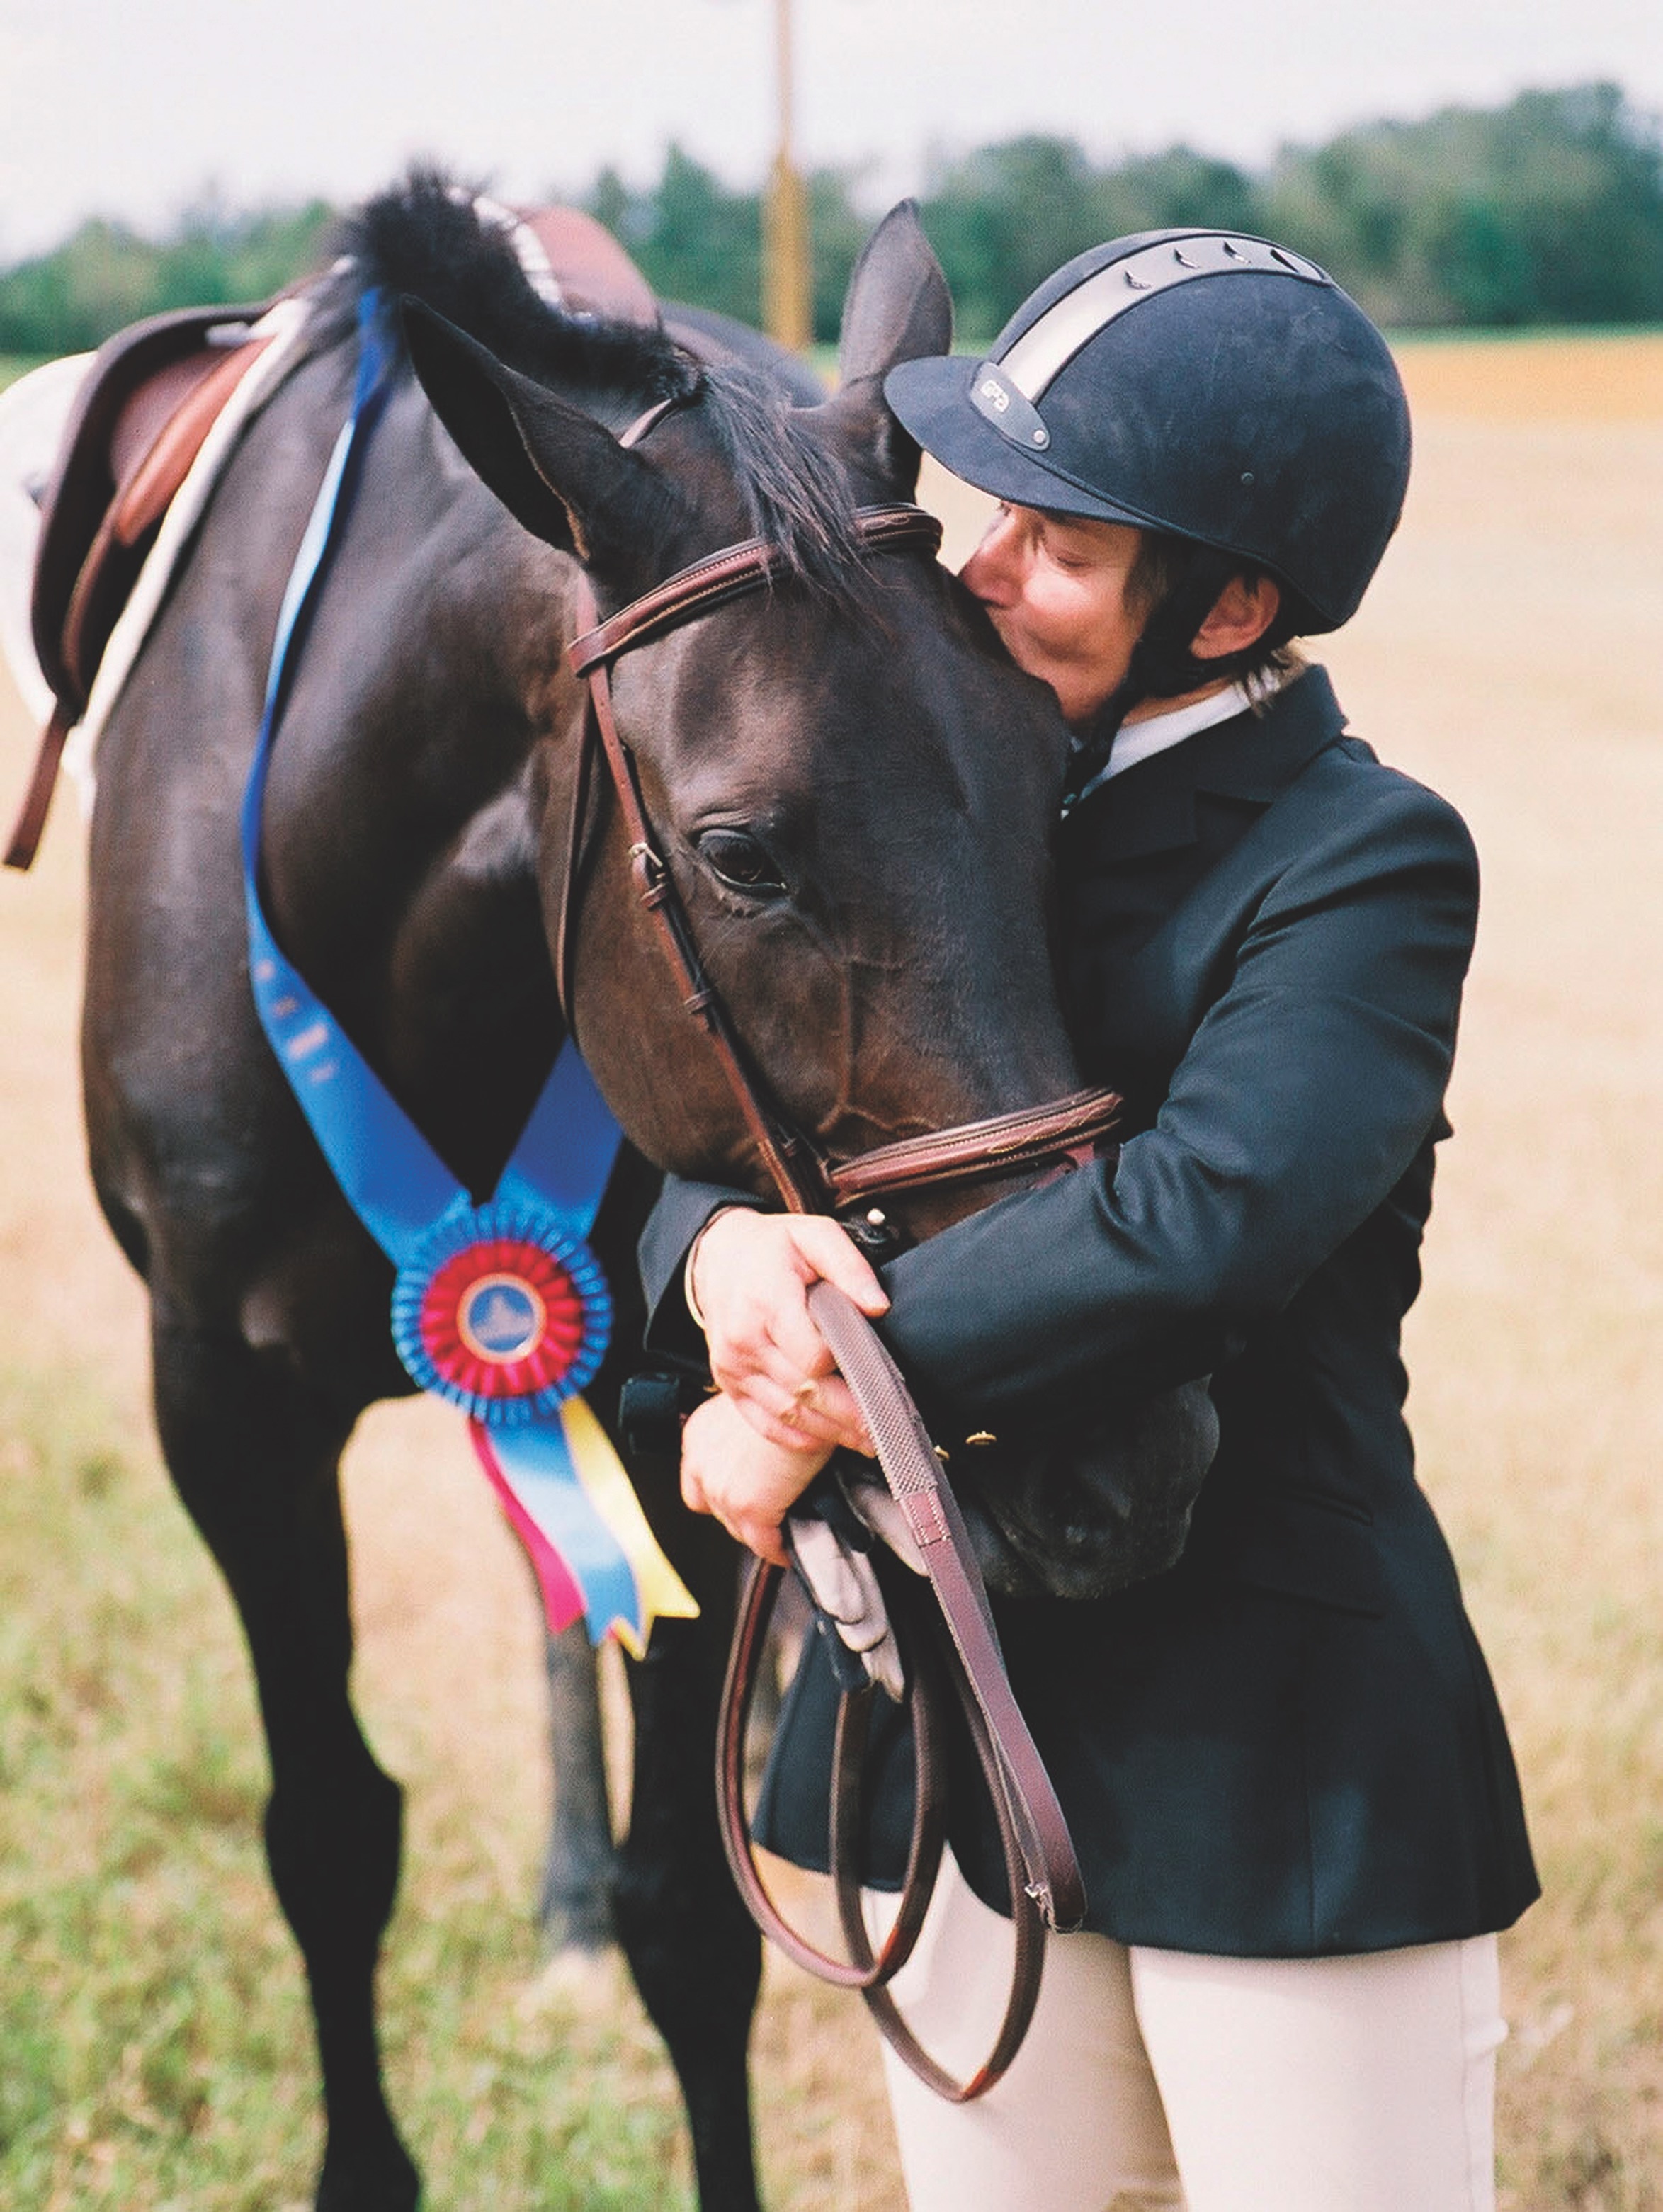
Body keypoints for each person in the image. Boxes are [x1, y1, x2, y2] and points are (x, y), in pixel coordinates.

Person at [637, 229, 1537, 2210]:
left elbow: (1197, 1220)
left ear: (1225, 606)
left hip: (1267, 1725)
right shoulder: (937, 781)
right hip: (947, 1703)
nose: (975, 568)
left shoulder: (1362, 860)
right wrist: (703, 1250)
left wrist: (807, 1393)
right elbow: (724, 1077)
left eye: (1055, 543)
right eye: (990, 515)